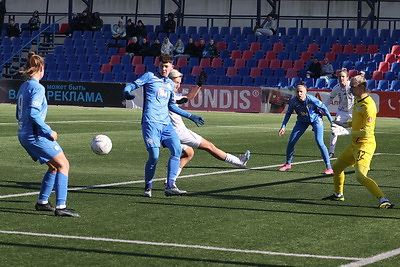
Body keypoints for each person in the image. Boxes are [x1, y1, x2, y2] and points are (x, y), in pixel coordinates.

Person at [122, 54, 205, 198]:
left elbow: (172, 106)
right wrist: (126, 91)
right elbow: (132, 85)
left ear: (171, 67)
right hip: (150, 123)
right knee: (154, 156)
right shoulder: (149, 76)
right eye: (161, 66)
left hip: (166, 125)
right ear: (158, 65)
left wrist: (190, 116)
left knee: (177, 150)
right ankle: (148, 187)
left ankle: (170, 186)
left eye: (166, 66)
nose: (164, 69)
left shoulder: (171, 84)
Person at [16, 52, 80, 217]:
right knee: (63, 165)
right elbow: (33, 113)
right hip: (35, 135)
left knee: (53, 167)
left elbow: (19, 114)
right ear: (41, 68)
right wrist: (48, 130)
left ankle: (43, 202)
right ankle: (61, 206)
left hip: (23, 133)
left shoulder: (24, 86)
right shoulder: (38, 87)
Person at [322, 75, 394, 209]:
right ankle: (338, 194)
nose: (350, 89)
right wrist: (345, 124)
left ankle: (384, 199)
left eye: (353, 87)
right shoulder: (358, 100)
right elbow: (356, 123)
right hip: (354, 144)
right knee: (337, 168)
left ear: (362, 87)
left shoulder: (369, 106)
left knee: (360, 176)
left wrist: (346, 132)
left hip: (365, 145)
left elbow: (367, 132)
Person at [169, 69, 250, 179]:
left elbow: (187, 98)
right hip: (179, 132)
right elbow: (181, 100)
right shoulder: (168, 94)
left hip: (170, 132)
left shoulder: (165, 92)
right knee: (209, 146)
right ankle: (239, 162)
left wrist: (199, 84)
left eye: (179, 82)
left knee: (189, 153)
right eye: (176, 82)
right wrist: (191, 116)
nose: (178, 85)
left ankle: (170, 181)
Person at [278, 82, 334, 174]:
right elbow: (288, 113)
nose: (299, 93)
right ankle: (288, 164)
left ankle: (329, 167)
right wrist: (283, 126)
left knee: (319, 142)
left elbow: (324, 108)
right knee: (291, 142)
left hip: (316, 120)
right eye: (297, 91)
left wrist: (331, 121)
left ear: (305, 92)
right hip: (302, 121)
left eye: (301, 91)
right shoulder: (293, 101)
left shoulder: (312, 99)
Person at [324, 68, 354, 158]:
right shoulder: (336, 88)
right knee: (334, 130)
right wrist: (323, 107)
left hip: (353, 111)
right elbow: (330, 98)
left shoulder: (352, 86)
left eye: (343, 76)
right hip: (342, 111)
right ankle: (331, 152)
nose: (341, 78)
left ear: (347, 78)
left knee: (361, 129)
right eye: (340, 76)